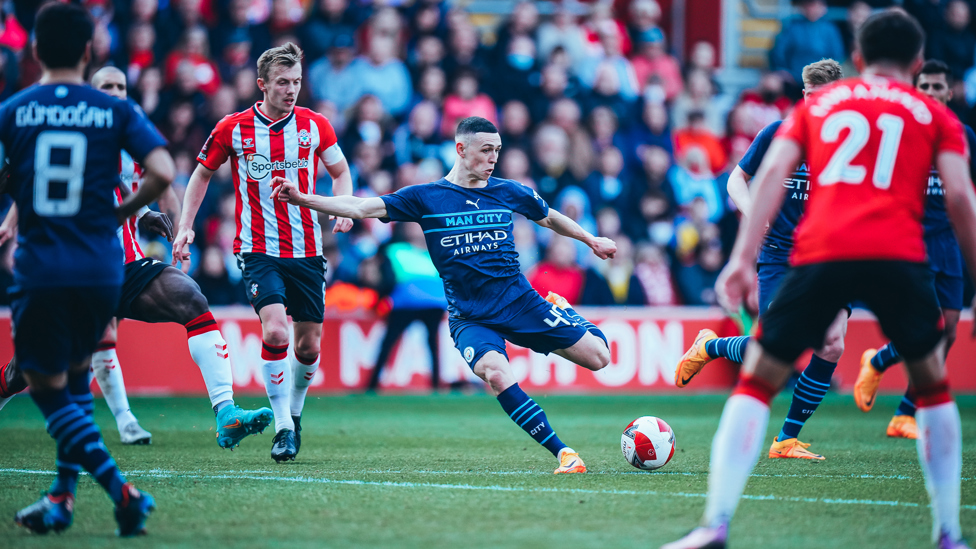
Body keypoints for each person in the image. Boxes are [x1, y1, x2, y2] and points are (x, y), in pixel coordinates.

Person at [663, 11, 976, 549]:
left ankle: (715, 523)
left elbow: (770, 179)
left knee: (759, 380)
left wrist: (739, 257)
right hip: (898, 256)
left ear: (857, 61)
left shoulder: (821, 109)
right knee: (933, 386)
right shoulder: (937, 116)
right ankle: (948, 533)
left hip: (824, 252)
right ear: (919, 64)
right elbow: (959, 198)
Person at [270, 117, 616, 474]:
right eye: (486, 150)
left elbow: (548, 217)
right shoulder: (426, 198)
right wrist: (301, 198)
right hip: (470, 316)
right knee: (496, 375)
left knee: (599, 358)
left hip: (520, 302)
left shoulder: (508, 191)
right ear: (461, 150)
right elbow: (361, 207)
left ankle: (565, 310)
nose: (493, 158)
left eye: (497, 150)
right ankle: (565, 454)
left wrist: (590, 240)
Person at [0, 66, 275, 449]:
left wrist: (150, 217)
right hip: (69, 268)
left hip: (125, 262)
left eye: (120, 86)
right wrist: (13, 218)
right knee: (30, 367)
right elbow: (30, 180)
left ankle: (225, 412)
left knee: (190, 297)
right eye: (106, 87)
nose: (114, 92)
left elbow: (154, 180)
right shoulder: (66, 131)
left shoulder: (129, 135)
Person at [2, 3, 173, 535]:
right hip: (102, 267)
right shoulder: (112, 111)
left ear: (33, 50)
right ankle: (62, 497)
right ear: (87, 52)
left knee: (44, 385)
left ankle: (123, 491)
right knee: (76, 382)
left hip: (44, 266)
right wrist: (118, 212)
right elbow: (163, 171)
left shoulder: (15, 110)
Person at [172, 42, 355, 463]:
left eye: (297, 82)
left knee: (308, 349)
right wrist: (185, 225)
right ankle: (283, 427)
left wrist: (344, 207)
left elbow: (341, 171)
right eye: (282, 83)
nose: (291, 90)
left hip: (308, 251)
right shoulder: (232, 129)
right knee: (275, 332)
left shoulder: (315, 126)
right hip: (257, 248)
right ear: (262, 85)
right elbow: (200, 176)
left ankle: (294, 414)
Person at [673, 59, 846, 460]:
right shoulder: (778, 133)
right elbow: (736, 179)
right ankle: (711, 346)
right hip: (780, 254)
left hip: (828, 254)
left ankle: (786, 438)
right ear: (804, 96)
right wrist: (756, 214)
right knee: (777, 348)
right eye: (815, 97)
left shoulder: (848, 142)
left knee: (832, 343)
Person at [854, 59, 976, 439]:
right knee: (928, 325)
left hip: (950, 243)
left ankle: (900, 407)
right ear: (914, 88)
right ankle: (887, 375)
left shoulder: (965, 135)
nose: (932, 93)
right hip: (913, 238)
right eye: (925, 86)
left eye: (938, 87)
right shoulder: (901, 130)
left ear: (950, 91)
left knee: (950, 332)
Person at [366, 222, 447, 392]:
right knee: (390, 342)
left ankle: (436, 385)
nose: (414, 229)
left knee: (432, 344)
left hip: (428, 305)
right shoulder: (394, 250)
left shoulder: (434, 252)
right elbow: (385, 278)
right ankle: (372, 385)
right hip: (405, 304)